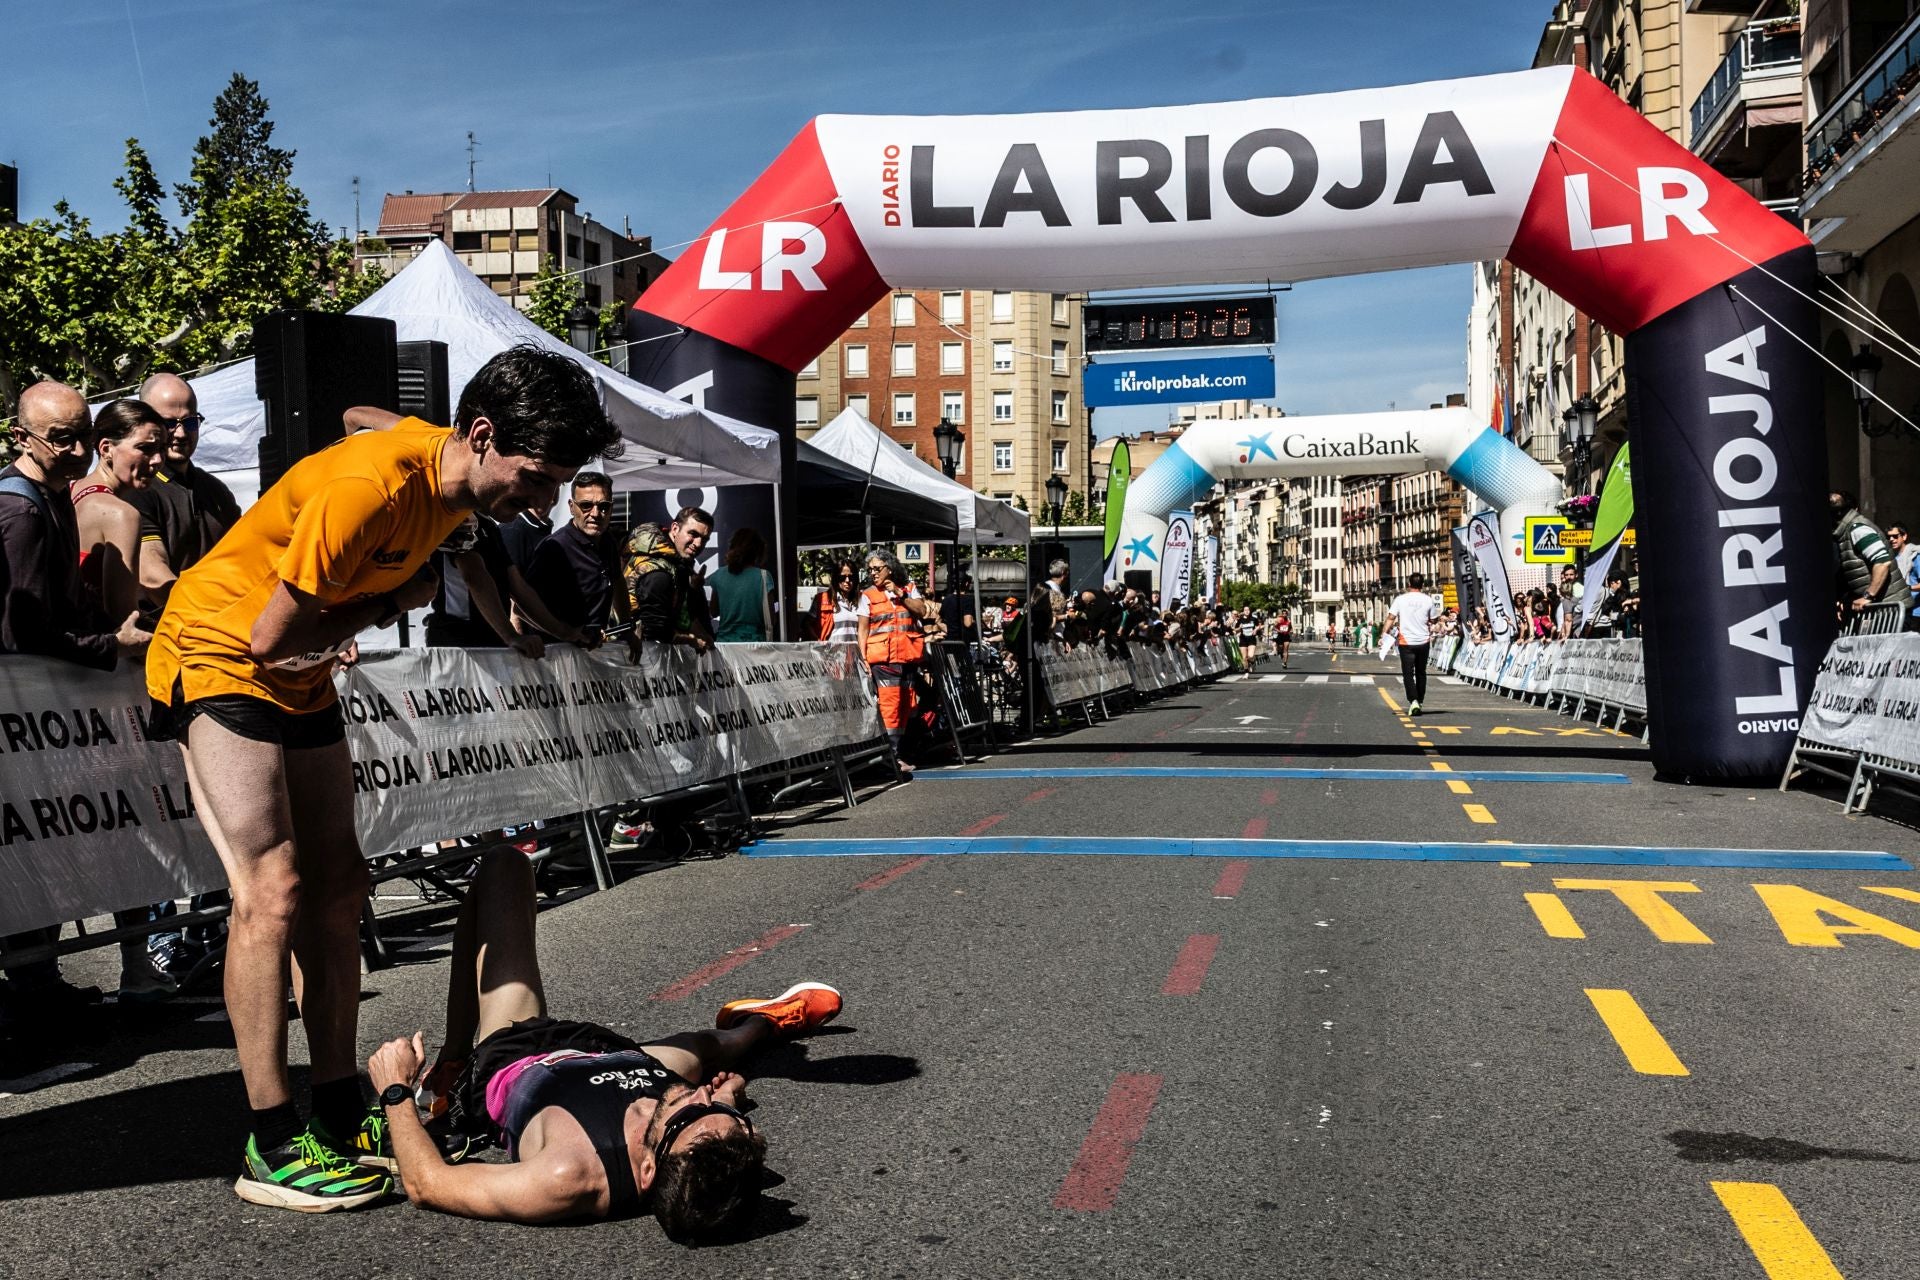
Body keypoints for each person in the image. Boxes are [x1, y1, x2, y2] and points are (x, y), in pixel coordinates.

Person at [144, 344, 620, 1211]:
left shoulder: (449, 471)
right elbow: (270, 641)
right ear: (481, 435)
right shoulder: (367, 493)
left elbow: (370, 420)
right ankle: (272, 1138)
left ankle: (334, 1106)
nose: (544, 501)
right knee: (274, 889)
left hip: (301, 669)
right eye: (537, 476)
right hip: (222, 650)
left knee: (342, 884)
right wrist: (388, 605)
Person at [361, 847, 838, 1234]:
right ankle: (766, 1022)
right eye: (710, 1109)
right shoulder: (705, 1139)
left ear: (648, 1172)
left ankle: (454, 1060)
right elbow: (711, 1118)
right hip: (615, 1055)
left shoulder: (567, 1177)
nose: (694, 1095)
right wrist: (725, 1101)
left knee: (504, 866)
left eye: (687, 1113)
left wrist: (395, 1090)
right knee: (710, 1048)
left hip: (522, 1051)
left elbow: (429, 1184)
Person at [0, 383, 152, 1021]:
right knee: (27, 851)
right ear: (21, 439)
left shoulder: (54, 497)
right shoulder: (21, 512)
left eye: (79, 435)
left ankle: (39, 983)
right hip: (23, 707)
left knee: (42, 849)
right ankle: (30, 991)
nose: (72, 449)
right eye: (57, 438)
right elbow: (22, 631)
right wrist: (108, 646)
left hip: (39, 709)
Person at [70, 401, 180, 1000]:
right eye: (147, 445)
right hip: (105, 698)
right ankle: (137, 968)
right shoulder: (116, 511)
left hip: (64, 693)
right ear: (105, 445)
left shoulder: (67, 497)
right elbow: (121, 618)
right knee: (128, 828)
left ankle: (47, 976)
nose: (159, 459)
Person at [130, 373, 243, 608]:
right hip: (163, 630)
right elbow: (151, 574)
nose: (180, 433)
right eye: (169, 423)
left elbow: (243, 557)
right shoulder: (137, 488)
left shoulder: (215, 490)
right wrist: (204, 613)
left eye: (190, 422)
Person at [857, 547, 932, 771]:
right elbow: (863, 629)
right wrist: (863, 658)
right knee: (890, 707)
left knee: (909, 706)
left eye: (877, 568)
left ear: (889, 569)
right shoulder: (868, 595)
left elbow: (921, 611)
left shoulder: (908, 589)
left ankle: (904, 752)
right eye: (870, 570)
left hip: (907, 656)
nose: (873, 573)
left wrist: (901, 594)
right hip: (883, 659)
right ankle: (893, 756)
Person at [527, 472, 618, 641]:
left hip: (592, 652)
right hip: (555, 655)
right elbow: (522, 607)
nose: (595, 513)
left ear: (612, 507)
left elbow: (618, 582)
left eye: (603, 506)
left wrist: (625, 626)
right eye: (586, 505)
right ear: (571, 506)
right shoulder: (553, 548)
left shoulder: (608, 542)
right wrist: (566, 633)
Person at [624, 506, 716, 651]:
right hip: (634, 659)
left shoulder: (676, 565)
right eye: (693, 534)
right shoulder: (658, 572)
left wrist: (694, 591)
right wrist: (690, 640)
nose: (698, 544)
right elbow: (654, 631)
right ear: (674, 529)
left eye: (704, 539)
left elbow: (681, 617)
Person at [1832, 490, 1911, 624]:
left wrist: (1868, 596)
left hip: (1890, 613)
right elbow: (1856, 574)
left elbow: (1882, 562)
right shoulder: (1843, 532)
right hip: (1879, 612)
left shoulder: (1858, 528)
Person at [1386, 571, 1440, 715]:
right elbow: (1434, 619)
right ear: (1422, 585)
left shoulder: (1400, 599)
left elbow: (1391, 618)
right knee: (1421, 672)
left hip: (1406, 642)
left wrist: (1383, 634)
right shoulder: (1428, 600)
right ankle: (1420, 701)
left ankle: (1413, 700)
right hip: (1423, 641)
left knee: (1408, 674)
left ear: (1408, 584)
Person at [708, 527, 775, 643]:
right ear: (757, 551)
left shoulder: (718, 575)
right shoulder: (764, 577)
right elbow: (771, 619)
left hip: (725, 645)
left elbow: (714, 612)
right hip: (755, 647)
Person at [815, 559, 861, 645]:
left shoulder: (861, 600)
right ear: (836, 578)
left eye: (851, 577)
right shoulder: (823, 599)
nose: (847, 580)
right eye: (842, 577)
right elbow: (807, 624)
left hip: (854, 655)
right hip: (832, 656)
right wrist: (819, 643)